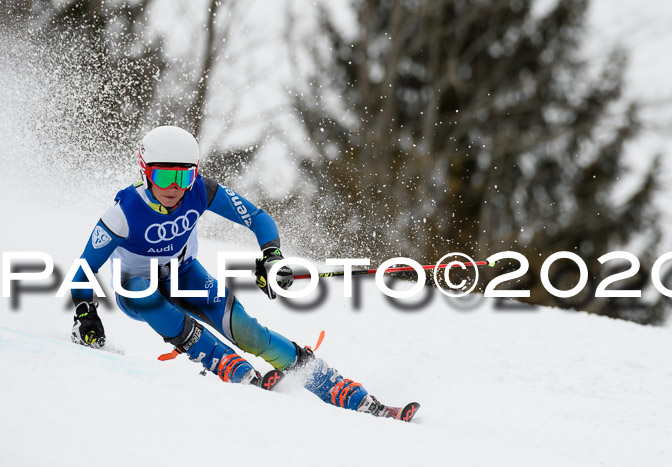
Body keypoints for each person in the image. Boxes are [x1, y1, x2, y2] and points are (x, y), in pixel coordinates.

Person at [70, 125, 418, 421]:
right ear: (145, 170)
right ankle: (232, 368)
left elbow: (258, 218)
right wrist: (86, 312)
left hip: (185, 273)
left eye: (184, 175)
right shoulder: (122, 213)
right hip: (136, 286)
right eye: (164, 175)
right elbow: (85, 266)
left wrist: (271, 256)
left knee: (248, 331)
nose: (175, 186)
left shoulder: (201, 191)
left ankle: (342, 390)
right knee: (145, 294)